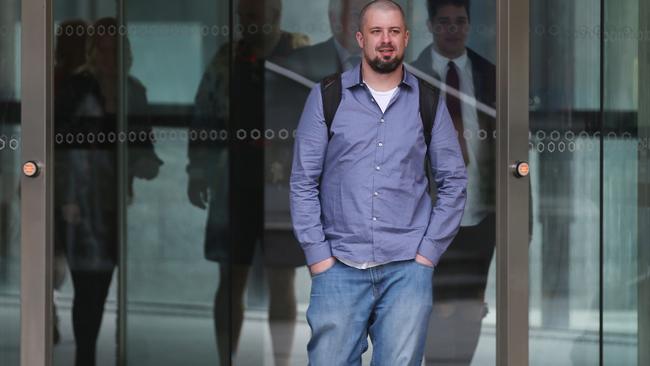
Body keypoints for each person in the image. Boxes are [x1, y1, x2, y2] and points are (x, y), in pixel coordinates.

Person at [290, 1, 468, 364]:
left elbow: (454, 181)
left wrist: (426, 256)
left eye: (393, 32)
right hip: (338, 266)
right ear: (360, 38)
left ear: (405, 38)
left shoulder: (429, 101)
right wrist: (318, 257)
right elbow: (302, 182)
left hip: (407, 270)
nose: (385, 40)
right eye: (376, 32)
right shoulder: (327, 97)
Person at [186, 0, 309, 364]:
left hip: (285, 182)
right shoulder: (228, 59)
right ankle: (227, 359)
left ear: (275, 14)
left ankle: (282, 361)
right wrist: (197, 170)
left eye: (251, 15)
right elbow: (204, 117)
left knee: (282, 279)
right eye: (241, 15)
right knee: (231, 276)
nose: (244, 22)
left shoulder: (301, 55)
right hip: (234, 179)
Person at [54, 17, 161, 366]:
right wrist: (67, 198)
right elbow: (60, 147)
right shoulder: (76, 88)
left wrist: (146, 164)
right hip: (80, 204)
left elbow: (144, 146)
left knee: (103, 286)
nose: (106, 54)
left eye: (113, 47)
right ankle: (85, 356)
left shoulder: (134, 90)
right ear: (91, 50)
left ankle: (108, 353)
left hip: (115, 202)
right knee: (88, 287)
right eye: (100, 47)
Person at [410, 1, 497, 364]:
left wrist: (520, 221)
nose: (453, 29)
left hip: (480, 215)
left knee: (470, 307)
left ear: (469, 25)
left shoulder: (489, 74)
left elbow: (511, 149)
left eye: (460, 21)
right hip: (427, 219)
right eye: (444, 22)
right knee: (433, 306)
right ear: (430, 26)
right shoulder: (408, 77)